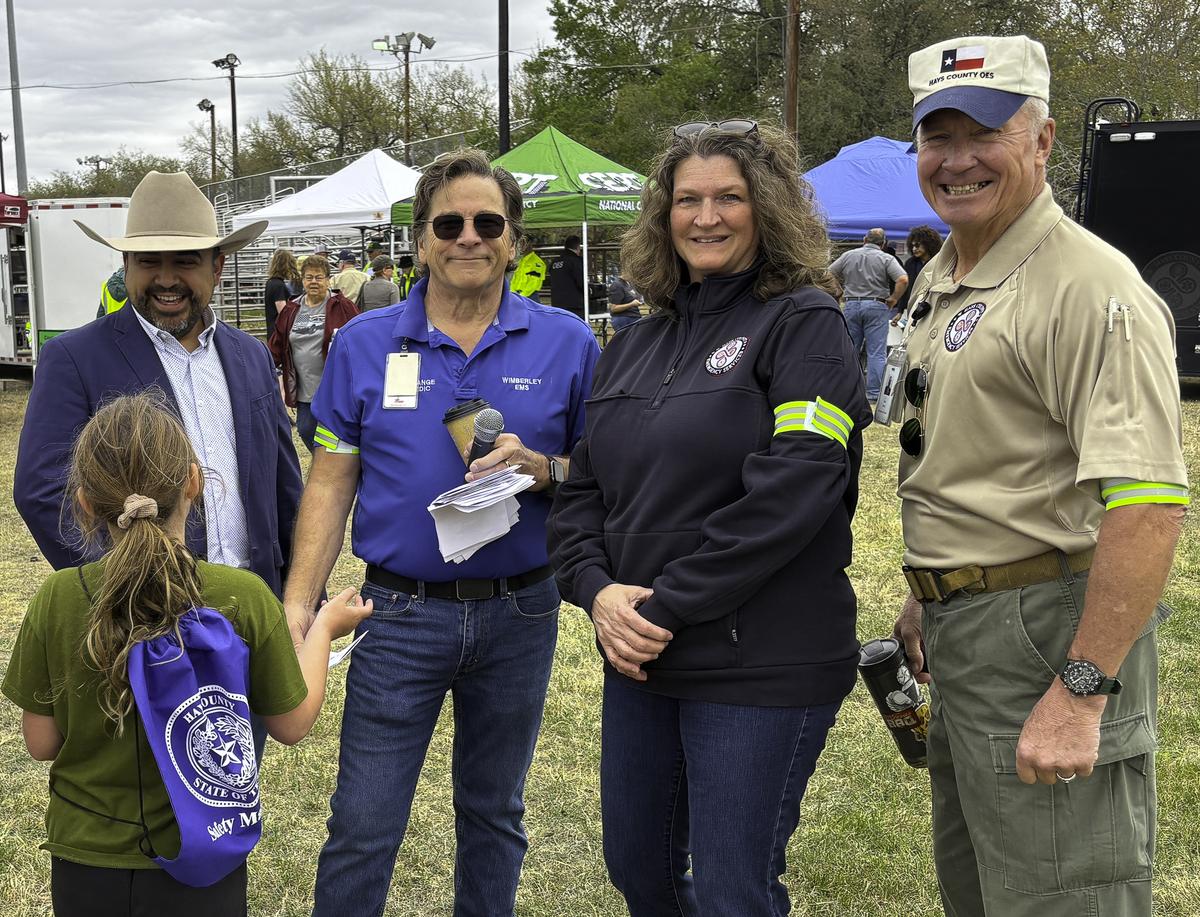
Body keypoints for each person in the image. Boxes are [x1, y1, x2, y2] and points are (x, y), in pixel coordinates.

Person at [892, 35, 1188, 917]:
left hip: (1045, 633)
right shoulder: (948, 271)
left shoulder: (1091, 287)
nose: (957, 160)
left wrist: (1084, 686)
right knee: (986, 892)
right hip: (965, 632)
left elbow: (1148, 505)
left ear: (1045, 140)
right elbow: (971, 454)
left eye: (984, 132)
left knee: (1063, 898)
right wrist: (929, 590)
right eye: (935, 137)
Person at [549, 120, 871, 915]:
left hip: (761, 661)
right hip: (643, 658)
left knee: (734, 889)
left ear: (768, 209)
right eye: (686, 199)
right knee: (640, 870)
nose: (705, 216)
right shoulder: (632, 342)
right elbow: (582, 492)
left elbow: (794, 489)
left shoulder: (805, 323)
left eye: (729, 197)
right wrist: (597, 592)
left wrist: (663, 602)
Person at [284, 148, 599, 917]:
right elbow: (331, 479)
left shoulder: (570, 343)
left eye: (487, 222)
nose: (469, 237)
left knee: (495, 815)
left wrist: (544, 468)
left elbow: (598, 474)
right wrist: (299, 600)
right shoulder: (363, 342)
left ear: (514, 239)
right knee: (363, 822)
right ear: (421, 239)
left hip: (521, 610)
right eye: (448, 223)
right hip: (397, 612)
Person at [2, 392, 372, 917]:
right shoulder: (242, 596)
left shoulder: (57, 598)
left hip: (85, 861)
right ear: (194, 484)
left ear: (84, 502)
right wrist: (324, 629)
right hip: (205, 857)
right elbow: (291, 723)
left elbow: (40, 743)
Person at [14, 170, 303, 600]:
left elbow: (284, 485)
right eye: (150, 261)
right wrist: (130, 588)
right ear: (126, 265)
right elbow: (43, 492)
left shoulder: (251, 355)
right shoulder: (75, 359)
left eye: (185, 260)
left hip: (256, 603)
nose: (166, 279)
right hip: (146, 618)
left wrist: (296, 596)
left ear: (217, 266)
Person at [268, 256, 358, 453]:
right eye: (309, 277)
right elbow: (278, 342)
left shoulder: (342, 306)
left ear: (328, 280)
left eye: (319, 277)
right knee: (306, 429)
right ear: (302, 280)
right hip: (304, 388)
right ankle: (321, 464)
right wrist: (265, 364)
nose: (314, 282)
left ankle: (335, 468)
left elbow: (359, 337)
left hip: (335, 386)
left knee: (337, 432)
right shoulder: (292, 310)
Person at [829, 227, 908, 401]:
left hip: (851, 303)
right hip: (876, 304)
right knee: (876, 352)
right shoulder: (886, 258)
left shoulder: (849, 255)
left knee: (849, 350)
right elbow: (902, 279)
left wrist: (839, 291)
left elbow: (829, 273)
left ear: (865, 239)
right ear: (883, 244)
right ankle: (873, 394)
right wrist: (894, 299)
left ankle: (845, 391)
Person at [888, 225, 942, 348]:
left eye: (917, 245)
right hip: (914, 308)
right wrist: (900, 311)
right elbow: (906, 289)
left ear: (927, 244)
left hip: (934, 306)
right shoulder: (910, 263)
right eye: (912, 246)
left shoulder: (939, 261)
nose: (914, 249)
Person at [547, 233, 585, 320]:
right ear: (578, 247)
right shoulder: (575, 261)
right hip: (574, 305)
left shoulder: (555, 262)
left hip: (557, 304)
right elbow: (581, 281)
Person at [263, 247, 301, 332]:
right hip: (279, 334)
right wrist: (304, 318)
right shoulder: (278, 286)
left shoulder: (271, 282)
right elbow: (284, 313)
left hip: (272, 331)